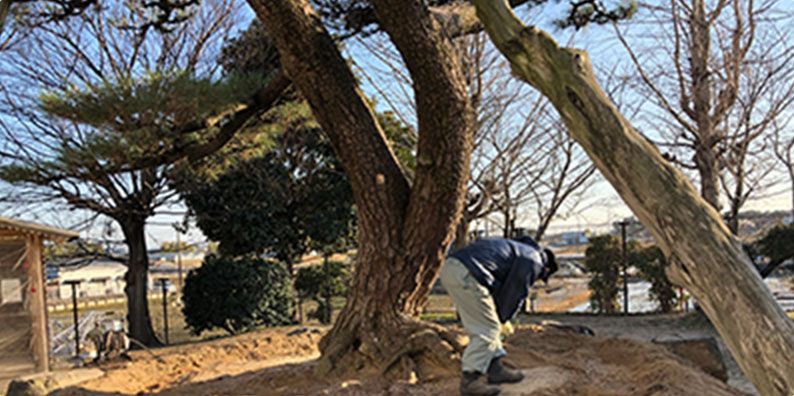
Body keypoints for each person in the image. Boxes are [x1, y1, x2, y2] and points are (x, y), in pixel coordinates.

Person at [440, 235, 558, 396]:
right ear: (546, 270)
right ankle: (470, 381)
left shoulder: (521, 250)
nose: (535, 280)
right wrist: (504, 319)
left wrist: (499, 316)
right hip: (468, 274)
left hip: (457, 269)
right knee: (488, 329)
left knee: (488, 324)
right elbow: (514, 294)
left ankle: (496, 369)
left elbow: (501, 289)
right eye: (539, 278)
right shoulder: (533, 261)